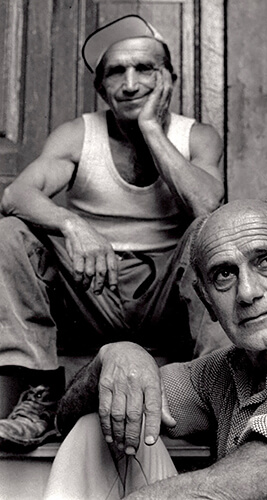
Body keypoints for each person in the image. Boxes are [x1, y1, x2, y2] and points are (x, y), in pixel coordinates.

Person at [0, 14, 227, 451]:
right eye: (116, 72)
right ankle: (42, 394)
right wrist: (73, 224)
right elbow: (16, 193)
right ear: (101, 87)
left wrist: (150, 129)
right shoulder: (77, 135)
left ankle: (217, 398)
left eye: (145, 69)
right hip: (91, 291)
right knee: (9, 233)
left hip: (168, 300)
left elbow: (205, 204)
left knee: (209, 232)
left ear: (169, 79)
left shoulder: (196, 136)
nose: (130, 83)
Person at [47, 199, 267, 499]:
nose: (247, 292)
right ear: (207, 302)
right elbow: (68, 416)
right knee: (97, 422)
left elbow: (235, 488)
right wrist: (113, 356)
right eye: (224, 274)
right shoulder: (226, 370)